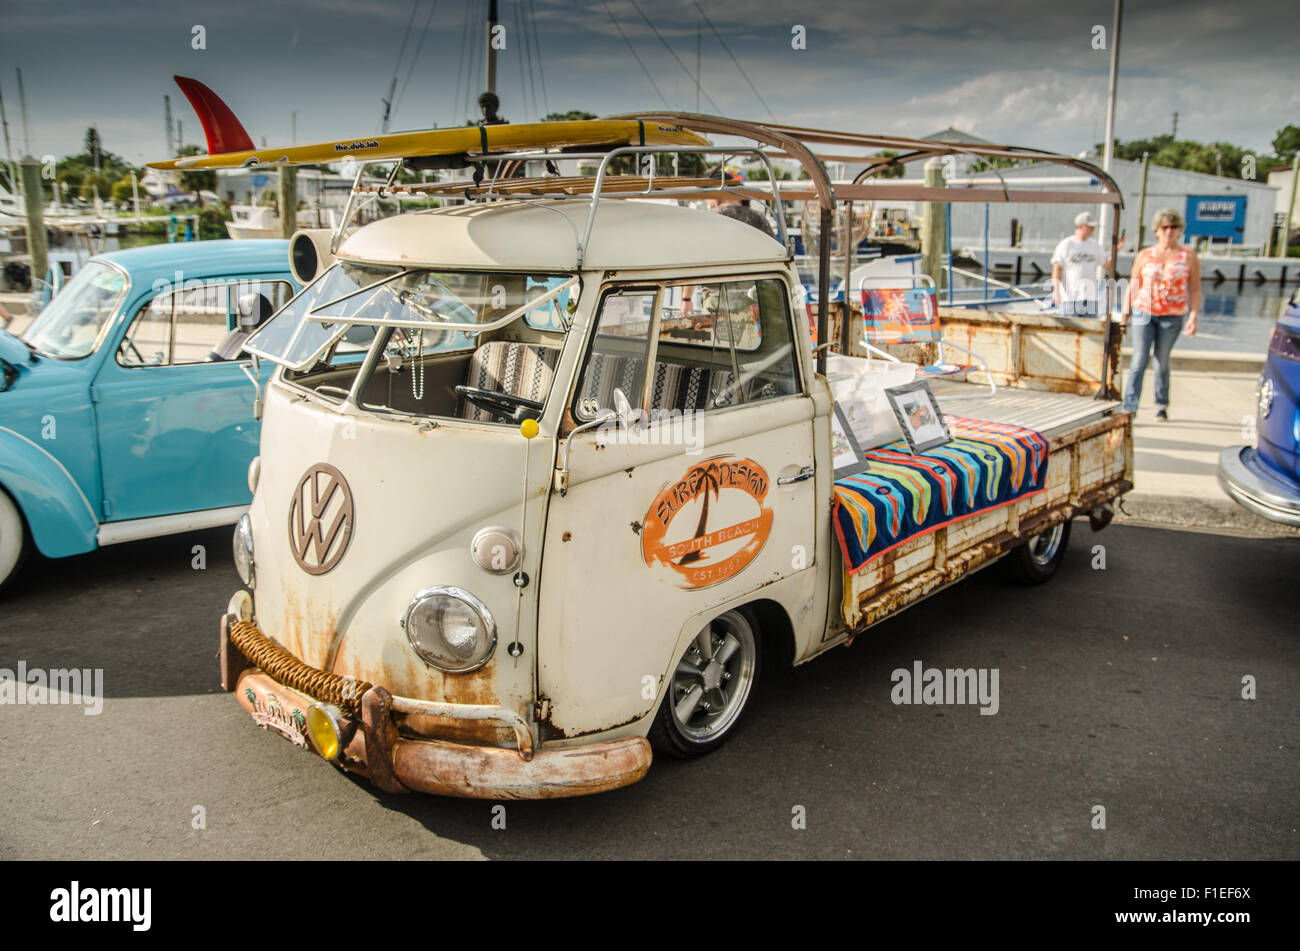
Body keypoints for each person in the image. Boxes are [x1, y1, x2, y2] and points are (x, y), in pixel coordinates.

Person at [1120, 208, 1201, 420]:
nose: (1169, 232)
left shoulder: (1188, 256)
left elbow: (1194, 288)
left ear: (1180, 231)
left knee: (1161, 360)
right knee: (1139, 359)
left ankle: (1161, 404)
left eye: (1174, 227)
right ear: (1157, 230)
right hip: (1144, 311)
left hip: (1172, 315)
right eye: (1165, 227)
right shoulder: (1145, 255)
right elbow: (1134, 284)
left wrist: (1193, 315)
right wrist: (1124, 314)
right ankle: (1130, 406)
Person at [1051, 211, 1122, 317]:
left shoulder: (1094, 245)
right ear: (1080, 226)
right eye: (1089, 227)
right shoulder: (1067, 244)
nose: (1092, 230)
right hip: (1070, 298)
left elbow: (1106, 265)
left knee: (1090, 330)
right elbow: (1057, 268)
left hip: (1090, 299)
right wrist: (1056, 292)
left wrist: (1116, 249)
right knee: (1069, 330)